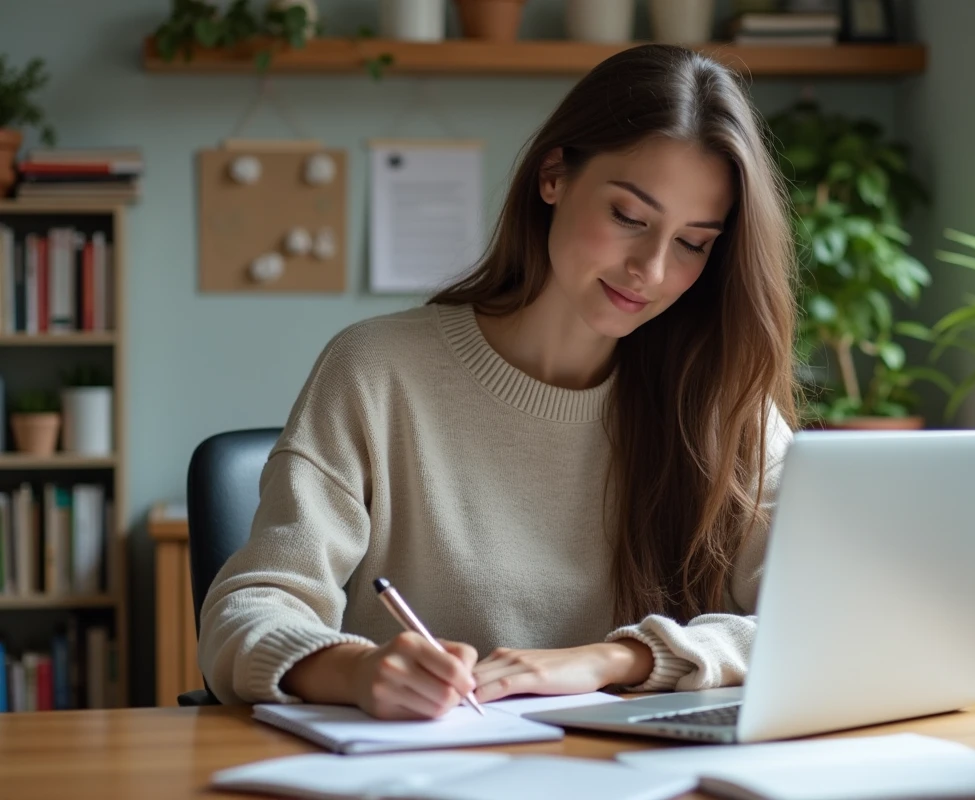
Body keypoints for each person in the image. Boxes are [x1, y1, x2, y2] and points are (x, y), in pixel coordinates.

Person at [198, 42, 799, 721]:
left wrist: (615, 658)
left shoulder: (722, 398)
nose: (651, 271)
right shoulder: (377, 370)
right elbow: (245, 611)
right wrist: (357, 669)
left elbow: (815, 615)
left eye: (692, 242)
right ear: (554, 176)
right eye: (629, 218)